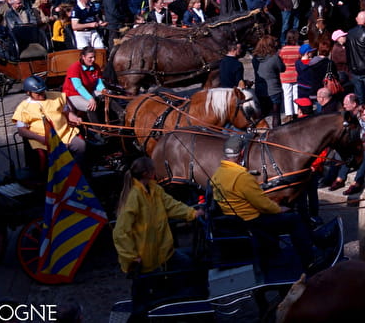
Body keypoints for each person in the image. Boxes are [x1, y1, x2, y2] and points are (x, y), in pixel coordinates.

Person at [210, 133, 318, 272]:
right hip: (252, 221)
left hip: (233, 220)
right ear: (242, 153)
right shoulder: (242, 177)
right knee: (294, 219)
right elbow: (263, 205)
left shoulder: (217, 174)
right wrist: (279, 209)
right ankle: (309, 261)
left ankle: (275, 252)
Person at [114, 156, 204, 317]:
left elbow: (171, 205)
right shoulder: (134, 198)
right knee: (143, 297)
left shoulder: (155, 190)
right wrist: (131, 256)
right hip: (145, 258)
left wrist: (192, 213)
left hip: (163, 252)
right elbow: (120, 232)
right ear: (148, 173)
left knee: (187, 268)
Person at [12, 75, 86, 170]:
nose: (42, 94)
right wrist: (41, 138)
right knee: (52, 156)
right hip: (42, 139)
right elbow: (22, 130)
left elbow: (67, 113)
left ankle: (77, 172)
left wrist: (74, 117)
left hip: (64, 134)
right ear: (28, 92)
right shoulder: (23, 107)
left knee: (80, 145)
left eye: (43, 91)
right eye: (38, 93)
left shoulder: (56, 96)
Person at [65, 46, 106, 119]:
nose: (93, 60)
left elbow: (98, 83)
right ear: (83, 57)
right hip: (74, 94)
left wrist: (103, 90)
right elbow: (78, 87)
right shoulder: (75, 67)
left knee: (106, 98)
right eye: (90, 57)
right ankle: (98, 129)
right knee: (90, 107)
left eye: (94, 57)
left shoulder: (96, 66)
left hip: (89, 91)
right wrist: (90, 98)